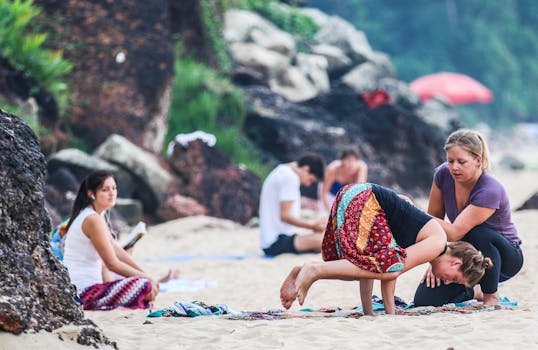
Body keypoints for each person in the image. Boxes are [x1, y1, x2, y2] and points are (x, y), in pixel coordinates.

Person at [280, 183, 492, 315]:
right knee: (386, 266)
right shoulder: (437, 242)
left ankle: (303, 270)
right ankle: (314, 269)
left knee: (364, 264)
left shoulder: (430, 240)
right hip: (367, 200)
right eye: (453, 278)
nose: (445, 282)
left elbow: (375, 267)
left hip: (351, 194)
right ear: (456, 262)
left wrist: (368, 312)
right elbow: (393, 271)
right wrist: (391, 314)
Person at [413, 129, 524, 307]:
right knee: (424, 301)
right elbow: (432, 223)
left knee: (479, 233)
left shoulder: (489, 190)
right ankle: (475, 291)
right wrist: (436, 261)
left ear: (478, 161)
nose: (454, 167)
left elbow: (455, 233)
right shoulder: (443, 174)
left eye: (461, 162)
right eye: (450, 161)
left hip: (504, 258)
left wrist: (412, 210)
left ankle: (490, 295)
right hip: (466, 255)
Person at [62, 170, 176, 310]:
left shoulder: (97, 215)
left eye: (114, 188)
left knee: (143, 282)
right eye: (105, 190)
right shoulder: (92, 219)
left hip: (90, 288)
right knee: (144, 286)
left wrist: (146, 275)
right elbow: (112, 264)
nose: (112, 193)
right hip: (83, 293)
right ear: (91, 194)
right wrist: (147, 279)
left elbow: (115, 249)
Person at [259, 153, 327, 256]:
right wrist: (312, 226)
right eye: (311, 180)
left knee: (324, 239)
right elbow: (285, 216)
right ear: (306, 169)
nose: (308, 184)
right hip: (276, 242)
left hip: (277, 239)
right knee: (326, 239)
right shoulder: (290, 177)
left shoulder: (283, 171)